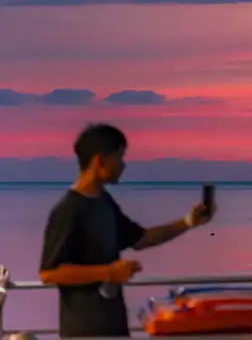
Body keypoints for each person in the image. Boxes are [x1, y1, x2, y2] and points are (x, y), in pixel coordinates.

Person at [39, 124, 214, 338]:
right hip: (84, 331)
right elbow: (49, 273)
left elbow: (141, 239)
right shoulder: (68, 209)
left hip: (114, 325)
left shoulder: (105, 203)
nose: (123, 165)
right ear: (100, 161)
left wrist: (187, 222)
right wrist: (108, 272)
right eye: (119, 157)